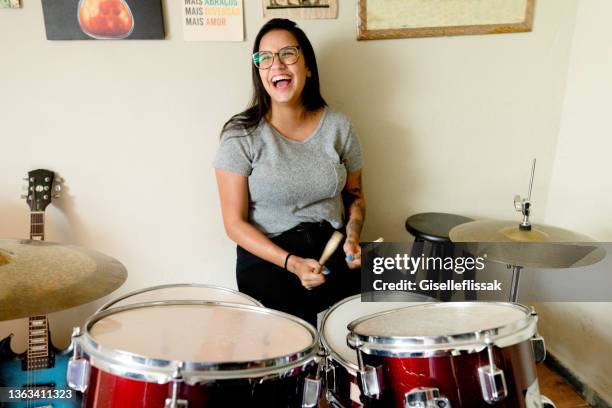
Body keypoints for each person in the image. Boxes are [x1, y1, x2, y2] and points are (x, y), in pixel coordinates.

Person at [213, 18, 365, 326]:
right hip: (270, 261)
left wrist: (353, 234)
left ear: (308, 66)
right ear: (258, 72)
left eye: (288, 54)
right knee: (299, 352)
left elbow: (355, 197)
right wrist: (292, 263)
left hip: (333, 250)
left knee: (459, 273)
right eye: (265, 58)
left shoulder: (339, 126)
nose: (276, 65)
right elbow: (234, 224)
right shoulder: (240, 135)